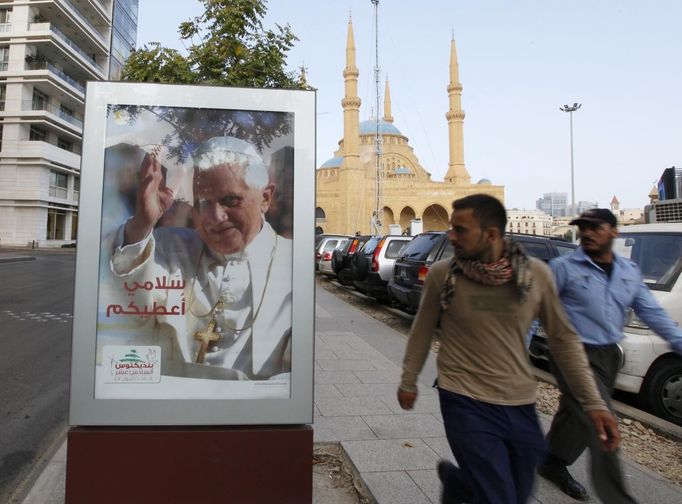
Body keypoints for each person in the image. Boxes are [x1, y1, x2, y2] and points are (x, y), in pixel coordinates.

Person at [397, 194, 619, 504]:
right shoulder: (443, 275)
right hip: (463, 398)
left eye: (460, 230)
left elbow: (564, 341)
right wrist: (409, 380)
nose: (451, 236)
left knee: (518, 491)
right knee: (498, 496)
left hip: (520, 402)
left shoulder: (536, 275)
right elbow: (421, 331)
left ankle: (458, 483)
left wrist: (594, 404)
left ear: (490, 235)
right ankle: (466, 483)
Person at [101, 136, 292, 381]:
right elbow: (122, 298)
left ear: (265, 198)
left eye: (230, 200)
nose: (214, 217)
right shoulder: (168, 247)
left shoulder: (293, 265)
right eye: (203, 203)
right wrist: (142, 224)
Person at [538, 208, 682, 502]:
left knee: (574, 413)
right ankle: (617, 496)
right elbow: (534, 310)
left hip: (608, 354)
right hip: (570, 353)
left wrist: (679, 342)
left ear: (613, 233)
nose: (587, 233)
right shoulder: (563, 267)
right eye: (582, 227)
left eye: (595, 227)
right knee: (602, 422)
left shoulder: (629, 272)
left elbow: (652, 312)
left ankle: (550, 460)